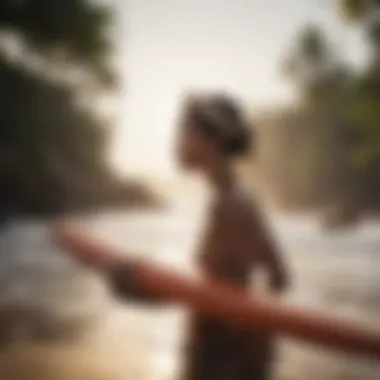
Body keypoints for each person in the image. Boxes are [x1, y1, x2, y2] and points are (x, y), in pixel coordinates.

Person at [61, 92, 290, 380]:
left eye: (182, 131)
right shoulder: (242, 199)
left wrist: (133, 281)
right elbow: (278, 278)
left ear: (213, 140)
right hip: (233, 361)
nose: (174, 142)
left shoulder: (230, 207)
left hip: (222, 366)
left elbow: (214, 300)